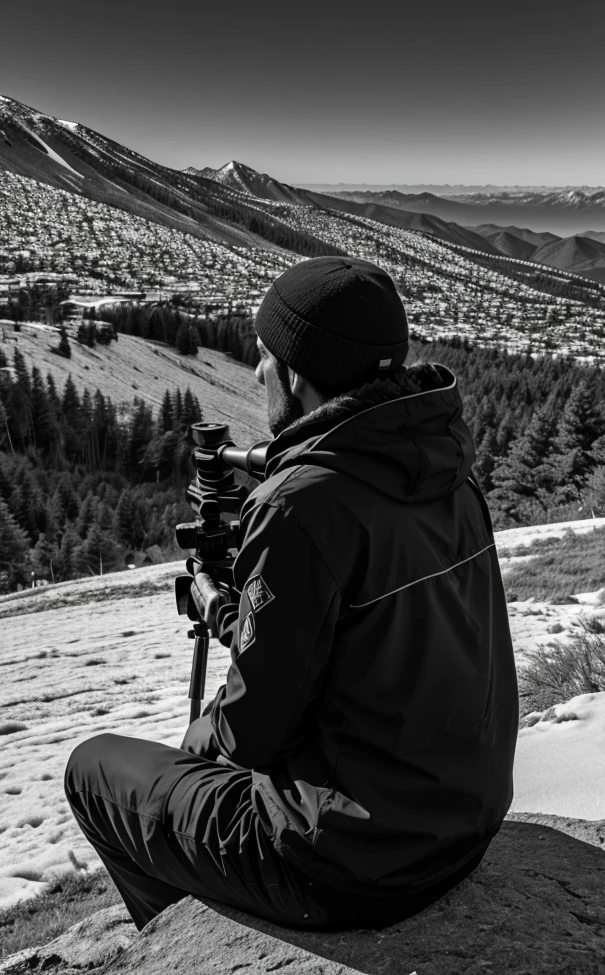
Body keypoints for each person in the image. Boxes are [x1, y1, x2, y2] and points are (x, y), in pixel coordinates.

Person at [64, 256, 519, 933]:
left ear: (298, 372)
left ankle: (179, 939)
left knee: (93, 768)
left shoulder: (303, 506)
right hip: (461, 825)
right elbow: (368, 645)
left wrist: (203, 728)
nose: (256, 372)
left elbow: (253, 734)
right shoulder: (447, 463)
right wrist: (234, 615)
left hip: (349, 865)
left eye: (264, 355)